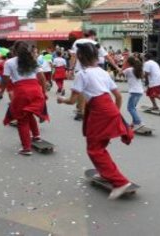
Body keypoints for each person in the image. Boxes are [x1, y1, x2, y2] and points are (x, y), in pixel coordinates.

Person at [57, 43, 134, 200]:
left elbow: (72, 101)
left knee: (94, 149)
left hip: (99, 111)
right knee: (100, 146)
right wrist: (115, 115)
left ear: (79, 57)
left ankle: (120, 182)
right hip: (110, 109)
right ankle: (106, 173)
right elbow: (119, 97)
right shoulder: (103, 72)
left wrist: (61, 99)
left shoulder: (82, 74)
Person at [0, 41, 49, 156]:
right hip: (36, 89)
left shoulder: (9, 62)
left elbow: (5, 79)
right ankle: (36, 136)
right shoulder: (33, 60)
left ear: (15, 50)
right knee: (29, 113)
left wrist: (2, 90)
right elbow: (42, 78)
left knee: (22, 119)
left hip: (21, 91)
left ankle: (26, 148)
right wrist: (44, 91)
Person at [68, 29, 121, 121]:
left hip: (80, 69)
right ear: (93, 35)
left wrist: (70, 69)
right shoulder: (96, 43)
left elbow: (73, 56)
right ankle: (85, 109)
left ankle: (80, 110)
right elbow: (107, 57)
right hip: (94, 69)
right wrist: (117, 67)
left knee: (80, 91)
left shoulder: (78, 41)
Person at [122, 56, 145, 130]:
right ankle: (134, 123)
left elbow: (120, 73)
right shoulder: (137, 69)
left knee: (130, 108)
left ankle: (139, 122)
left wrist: (123, 66)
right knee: (133, 108)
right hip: (140, 92)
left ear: (128, 63)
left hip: (134, 92)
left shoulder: (128, 69)